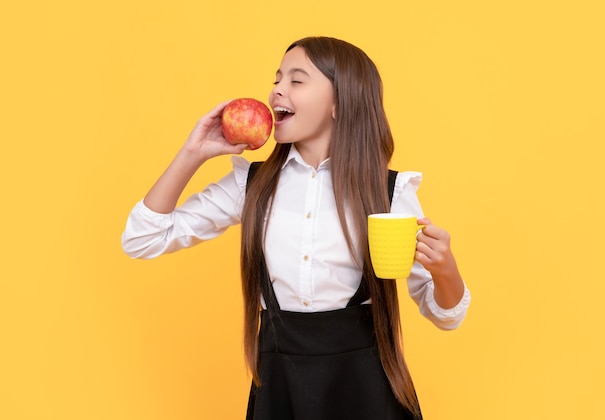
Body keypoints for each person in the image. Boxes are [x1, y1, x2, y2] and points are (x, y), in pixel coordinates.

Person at [122, 36, 471, 420]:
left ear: (340, 101)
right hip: (281, 388)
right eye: (276, 79)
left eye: (296, 80)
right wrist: (193, 153)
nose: (276, 90)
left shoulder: (388, 191)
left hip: (364, 389)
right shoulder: (252, 185)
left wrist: (444, 269)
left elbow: (447, 315)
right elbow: (143, 238)